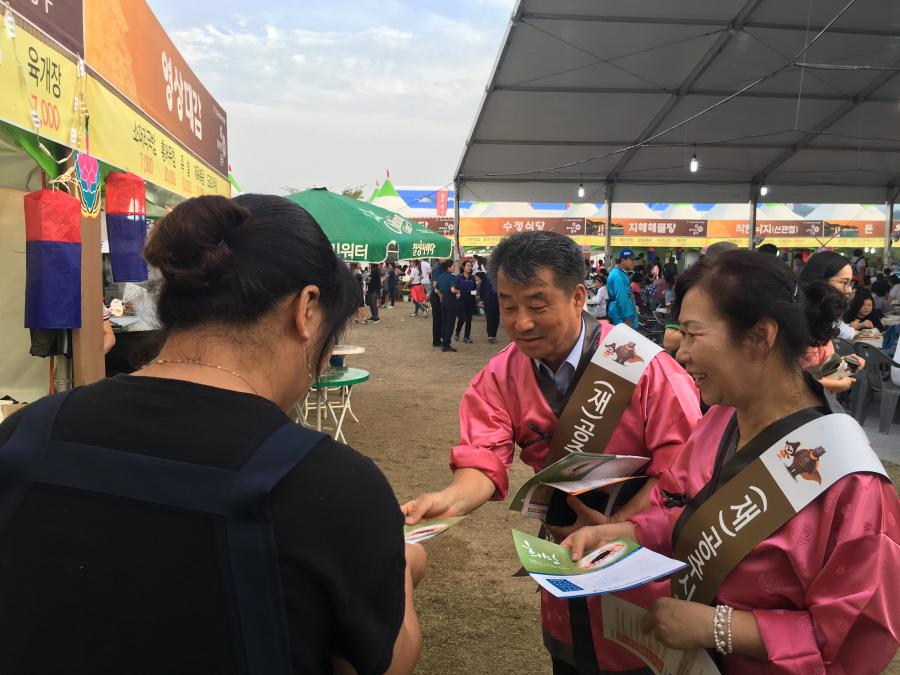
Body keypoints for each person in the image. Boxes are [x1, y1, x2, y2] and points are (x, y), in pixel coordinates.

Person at [0, 194, 426, 674]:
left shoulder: (27, 434)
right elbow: (381, 665)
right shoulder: (332, 484)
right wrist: (404, 571)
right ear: (306, 309)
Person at [562, 250, 900, 674]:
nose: (680, 354)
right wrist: (627, 531)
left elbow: (856, 635)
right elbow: (686, 512)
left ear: (759, 336)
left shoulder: (852, 484)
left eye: (692, 334)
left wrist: (719, 627)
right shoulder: (719, 419)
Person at [402, 231, 702, 674]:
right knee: (572, 658)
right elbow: (483, 456)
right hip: (566, 560)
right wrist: (450, 499)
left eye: (537, 305)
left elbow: (684, 467)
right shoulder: (501, 375)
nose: (521, 322)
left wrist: (622, 527)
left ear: (579, 296)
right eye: (507, 305)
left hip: (643, 564)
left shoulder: (644, 365)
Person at [607, 249, 638, 327]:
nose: (633, 262)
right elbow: (622, 298)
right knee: (624, 338)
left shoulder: (621, 273)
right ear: (623, 260)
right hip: (621, 316)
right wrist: (627, 318)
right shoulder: (618, 276)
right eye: (631, 259)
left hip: (621, 313)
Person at [435, 259, 459, 353]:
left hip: (443, 301)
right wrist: (458, 291)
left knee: (444, 322)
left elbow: (436, 290)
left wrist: (441, 296)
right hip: (451, 301)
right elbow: (453, 290)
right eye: (453, 266)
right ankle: (446, 344)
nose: (454, 267)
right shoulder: (452, 277)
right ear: (448, 268)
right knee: (450, 323)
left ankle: (444, 343)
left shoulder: (440, 277)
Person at [454, 260, 478, 344]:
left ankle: (466, 336)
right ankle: (457, 331)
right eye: (468, 266)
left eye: (471, 266)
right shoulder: (458, 277)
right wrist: (457, 293)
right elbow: (455, 288)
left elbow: (475, 289)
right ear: (463, 267)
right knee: (461, 318)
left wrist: (474, 292)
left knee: (469, 319)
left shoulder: (472, 278)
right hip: (460, 301)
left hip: (470, 300)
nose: (470, 267)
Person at [476, 271, 500, 344]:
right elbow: (482, 288)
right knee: (489, 318)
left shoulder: (500, 275)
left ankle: (493, 335)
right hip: (488, 301)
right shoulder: (486, 276)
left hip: (498, 301)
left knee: (496, 319)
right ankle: (490, 336)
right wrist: (482, 298)